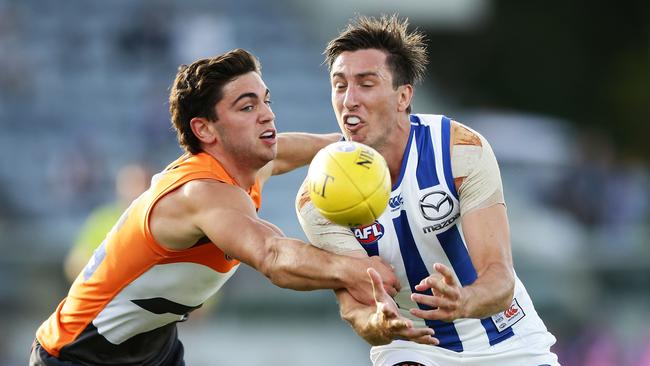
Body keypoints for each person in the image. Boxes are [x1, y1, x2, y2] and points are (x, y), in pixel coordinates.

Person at [30, 48, 399, 366]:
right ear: (205, 130)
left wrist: (353, 146)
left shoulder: (244, 164)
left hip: (153, 350)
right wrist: (357, 270)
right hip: (77, 355)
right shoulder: (201, 193)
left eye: (266, 101)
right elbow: (272, 256)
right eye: (247, 106)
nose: (267, 115)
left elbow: (288, 149)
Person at [296, 15, 560, 366]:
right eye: (340, 85)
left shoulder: (459, 150)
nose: (349, 100)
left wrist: (462, 301)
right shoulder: (318, 198)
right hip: (414, 345)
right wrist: (378, 324)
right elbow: (354, 307)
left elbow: (499, 275)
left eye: (366, 84)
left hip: (508, 339)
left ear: (403, 96)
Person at [64, 163, 151, 282]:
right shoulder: (103, 219)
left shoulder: (161, 220)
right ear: (120, 187)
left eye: (146, 183)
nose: (141, 189)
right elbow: (75, 265)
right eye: (134, 183)